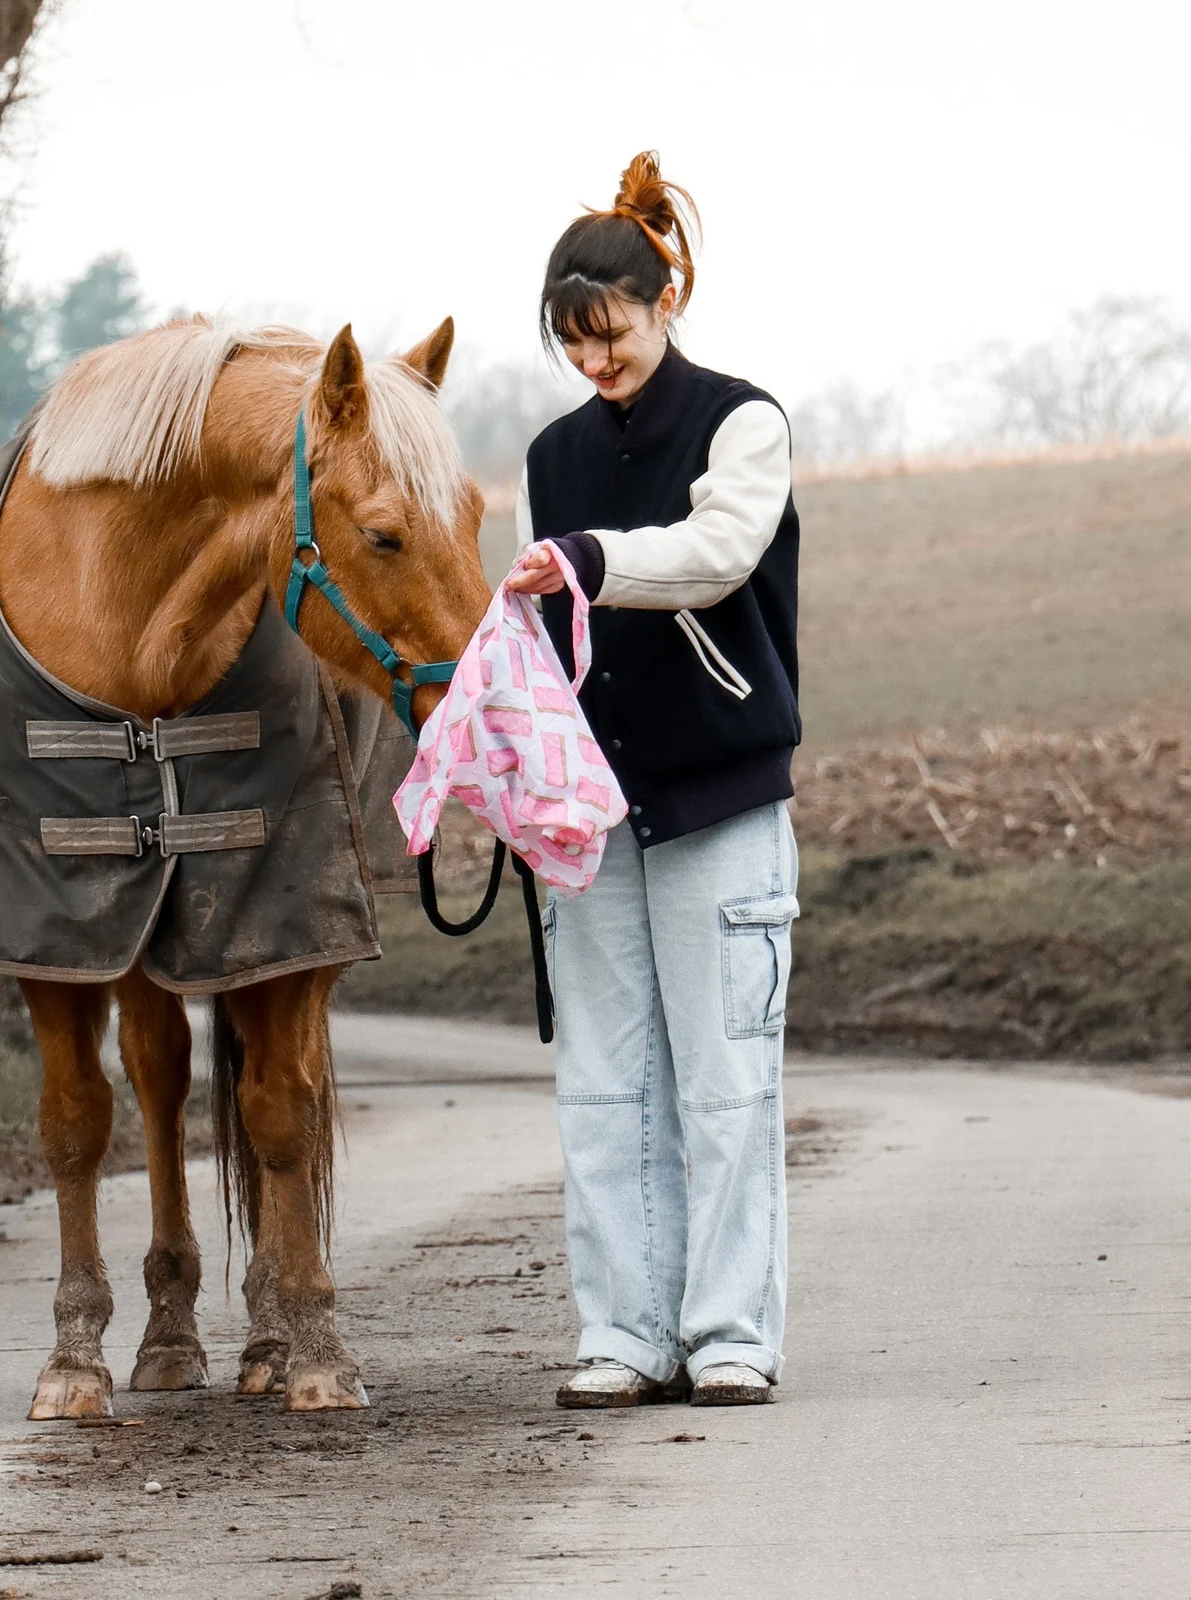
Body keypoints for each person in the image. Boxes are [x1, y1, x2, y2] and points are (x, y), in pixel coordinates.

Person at [503, 151, 801, 1408]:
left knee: (727, 1081)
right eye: (575, 343)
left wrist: (582, 558)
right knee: (605, 1084)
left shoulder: (744, 422)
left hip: (722, 802)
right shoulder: (552, 454)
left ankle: (730, 1335)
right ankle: (623, 1334)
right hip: (596, 821)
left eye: (610, 332)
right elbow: (550, 637)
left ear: (662, 298)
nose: (595, 361)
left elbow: (717, 555)